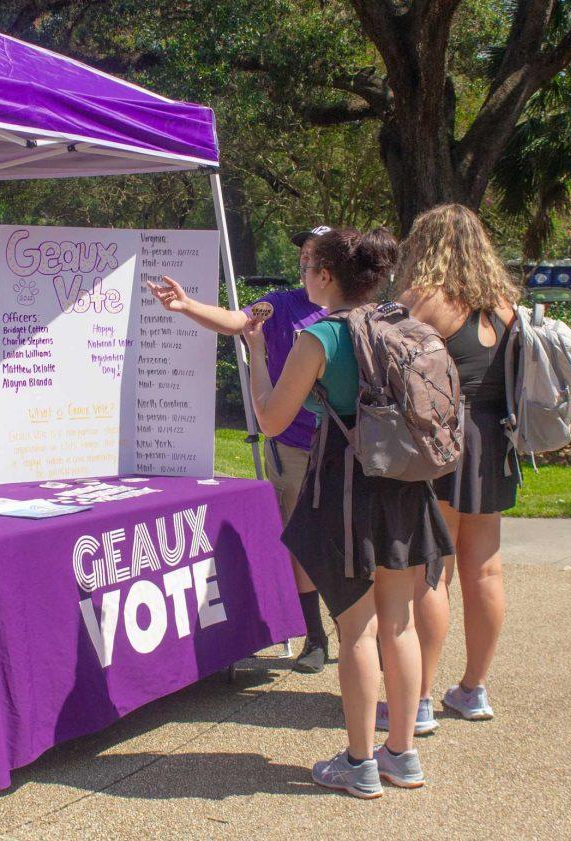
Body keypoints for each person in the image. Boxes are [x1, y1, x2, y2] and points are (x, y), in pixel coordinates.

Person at [246, 227, 453, 797]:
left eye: (311, 265)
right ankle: (401, 754)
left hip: (347, 488)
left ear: (329, 276)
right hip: (407, 485)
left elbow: (270, 418)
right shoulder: (405, 325)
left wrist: (258, 352)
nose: (304, 274)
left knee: (356, 630)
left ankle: (359, 762)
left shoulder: (321, 337)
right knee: (399, 624)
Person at [147, 228, 333, 672]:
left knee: (349, 542)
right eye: (303, 255)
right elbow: (236, 321)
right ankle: (315, 636)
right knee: (301, 541)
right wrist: (187, 305)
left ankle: (361, 633)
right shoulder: (281, 305)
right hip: (291, 445)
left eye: (314, 257)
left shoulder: (359, 312)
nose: (304, 262)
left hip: (349, 446)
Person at [393, 204, 522, 736]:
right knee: (485, 569)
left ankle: (418, 698)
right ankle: (472, 689)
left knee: (433, 570)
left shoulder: (424, 303)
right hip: (496, 440)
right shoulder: (506, 307)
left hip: (443, 442)